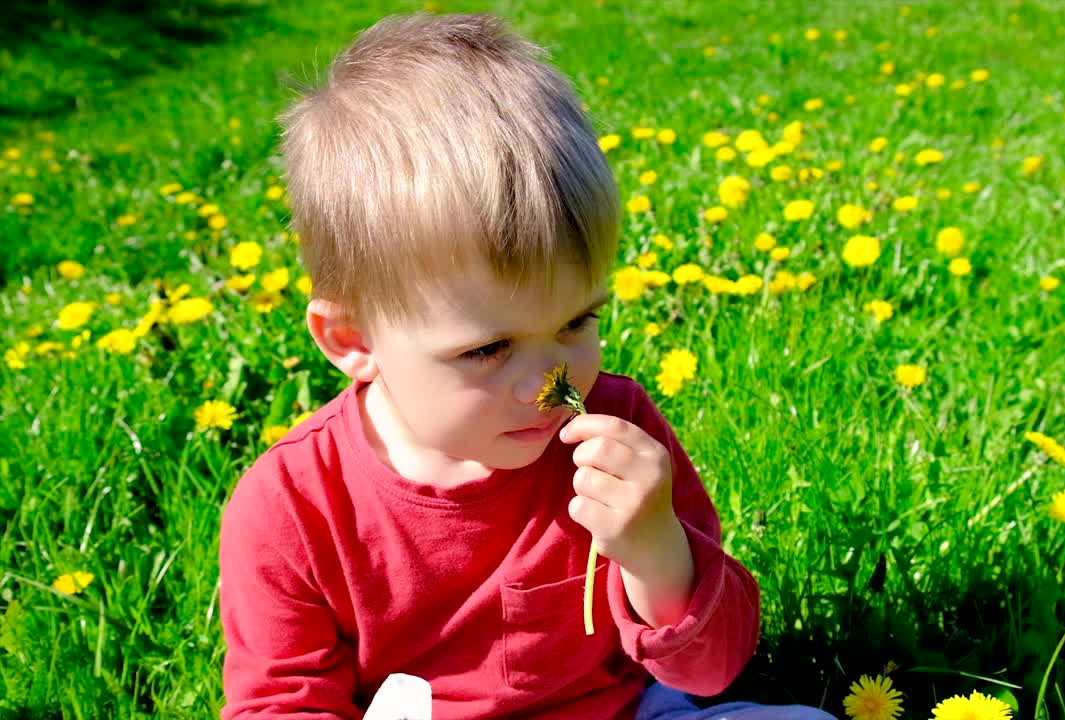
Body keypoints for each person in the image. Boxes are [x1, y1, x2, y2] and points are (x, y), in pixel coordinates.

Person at [218, 12, 836, 720]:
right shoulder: (294, 507)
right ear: (352, 338)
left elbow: (712, 668)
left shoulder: (617, 426)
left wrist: (656, 550)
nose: (552, 383)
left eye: (577, 322)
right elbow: (281, 704)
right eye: (487, 348)